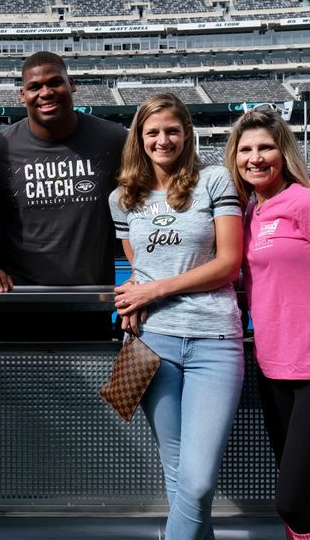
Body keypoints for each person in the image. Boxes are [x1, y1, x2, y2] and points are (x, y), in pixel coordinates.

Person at [109, 93, 243, 540]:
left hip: (214, 340)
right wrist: (135, 290)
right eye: (152, 132)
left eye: (171, 130)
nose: (162, 140)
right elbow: (139, 268)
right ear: (139, 138)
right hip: (151, 343)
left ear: (187, 132)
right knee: (179, 474)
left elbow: (228, 264)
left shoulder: (215, 179)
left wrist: (153, 288)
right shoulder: (122, 198)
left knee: (199, 480)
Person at [0, 51, 127, 340]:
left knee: (93, 387)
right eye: (34, 87)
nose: (46, 93)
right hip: (17, 303)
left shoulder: (115, 140)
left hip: (90, 303)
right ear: (22, 95)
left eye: (55, 82)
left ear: (73, 84)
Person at [225, 109, 310, 540]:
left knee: (292, 500)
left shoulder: (304, 202)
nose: (255, 158)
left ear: (284, 152)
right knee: (302, 498)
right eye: (246, 149)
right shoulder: (247, 212)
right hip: (273, 365)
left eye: (266, 147)